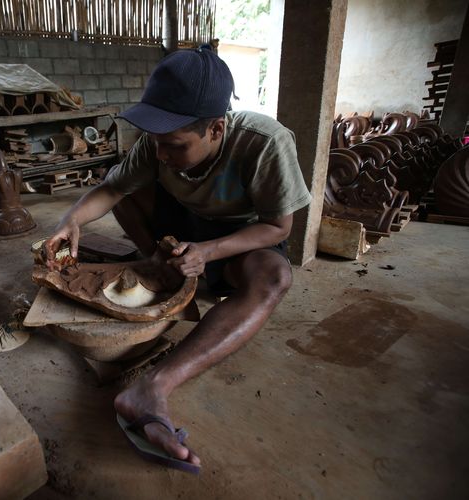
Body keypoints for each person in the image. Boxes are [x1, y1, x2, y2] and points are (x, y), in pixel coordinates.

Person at [44, 48, 311, 469]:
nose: (161, 154)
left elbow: (279, 228)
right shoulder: (157, 145)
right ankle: (158, 263)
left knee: (274, 276)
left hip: (238, 237)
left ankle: (153, 387)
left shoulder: (265, 143)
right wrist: (70, 219)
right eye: (156, 141)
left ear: (217, 129)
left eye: (174, 145)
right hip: (182, 226)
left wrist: (209, 251)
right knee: (127, 191)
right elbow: (112, 190)